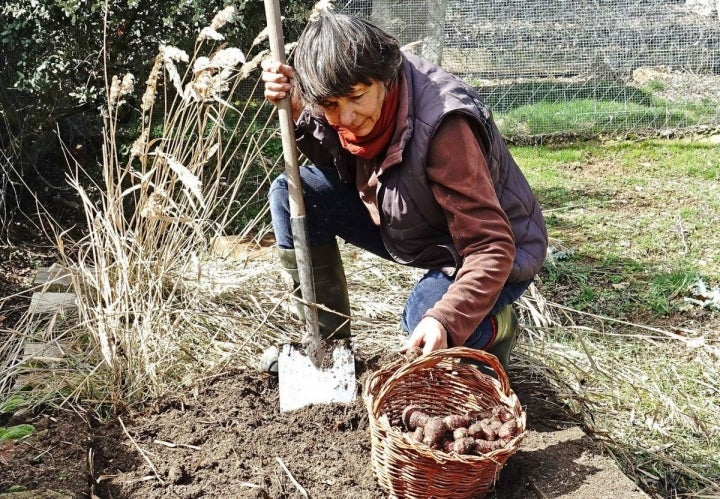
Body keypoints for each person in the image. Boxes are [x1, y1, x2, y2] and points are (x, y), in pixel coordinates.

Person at [260, 10, 547, 372]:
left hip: (487, 250)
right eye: (331, 106)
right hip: (410, 221)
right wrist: (298, 106)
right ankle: (328, 352)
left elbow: (490, 246)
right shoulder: (341, 90)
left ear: (385, 77)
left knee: (424, 323)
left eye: (356, 98)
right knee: (292, 193)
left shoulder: (445, 127)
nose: (346, 118)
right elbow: (340, 162)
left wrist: (445, 320)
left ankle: (496, 328)